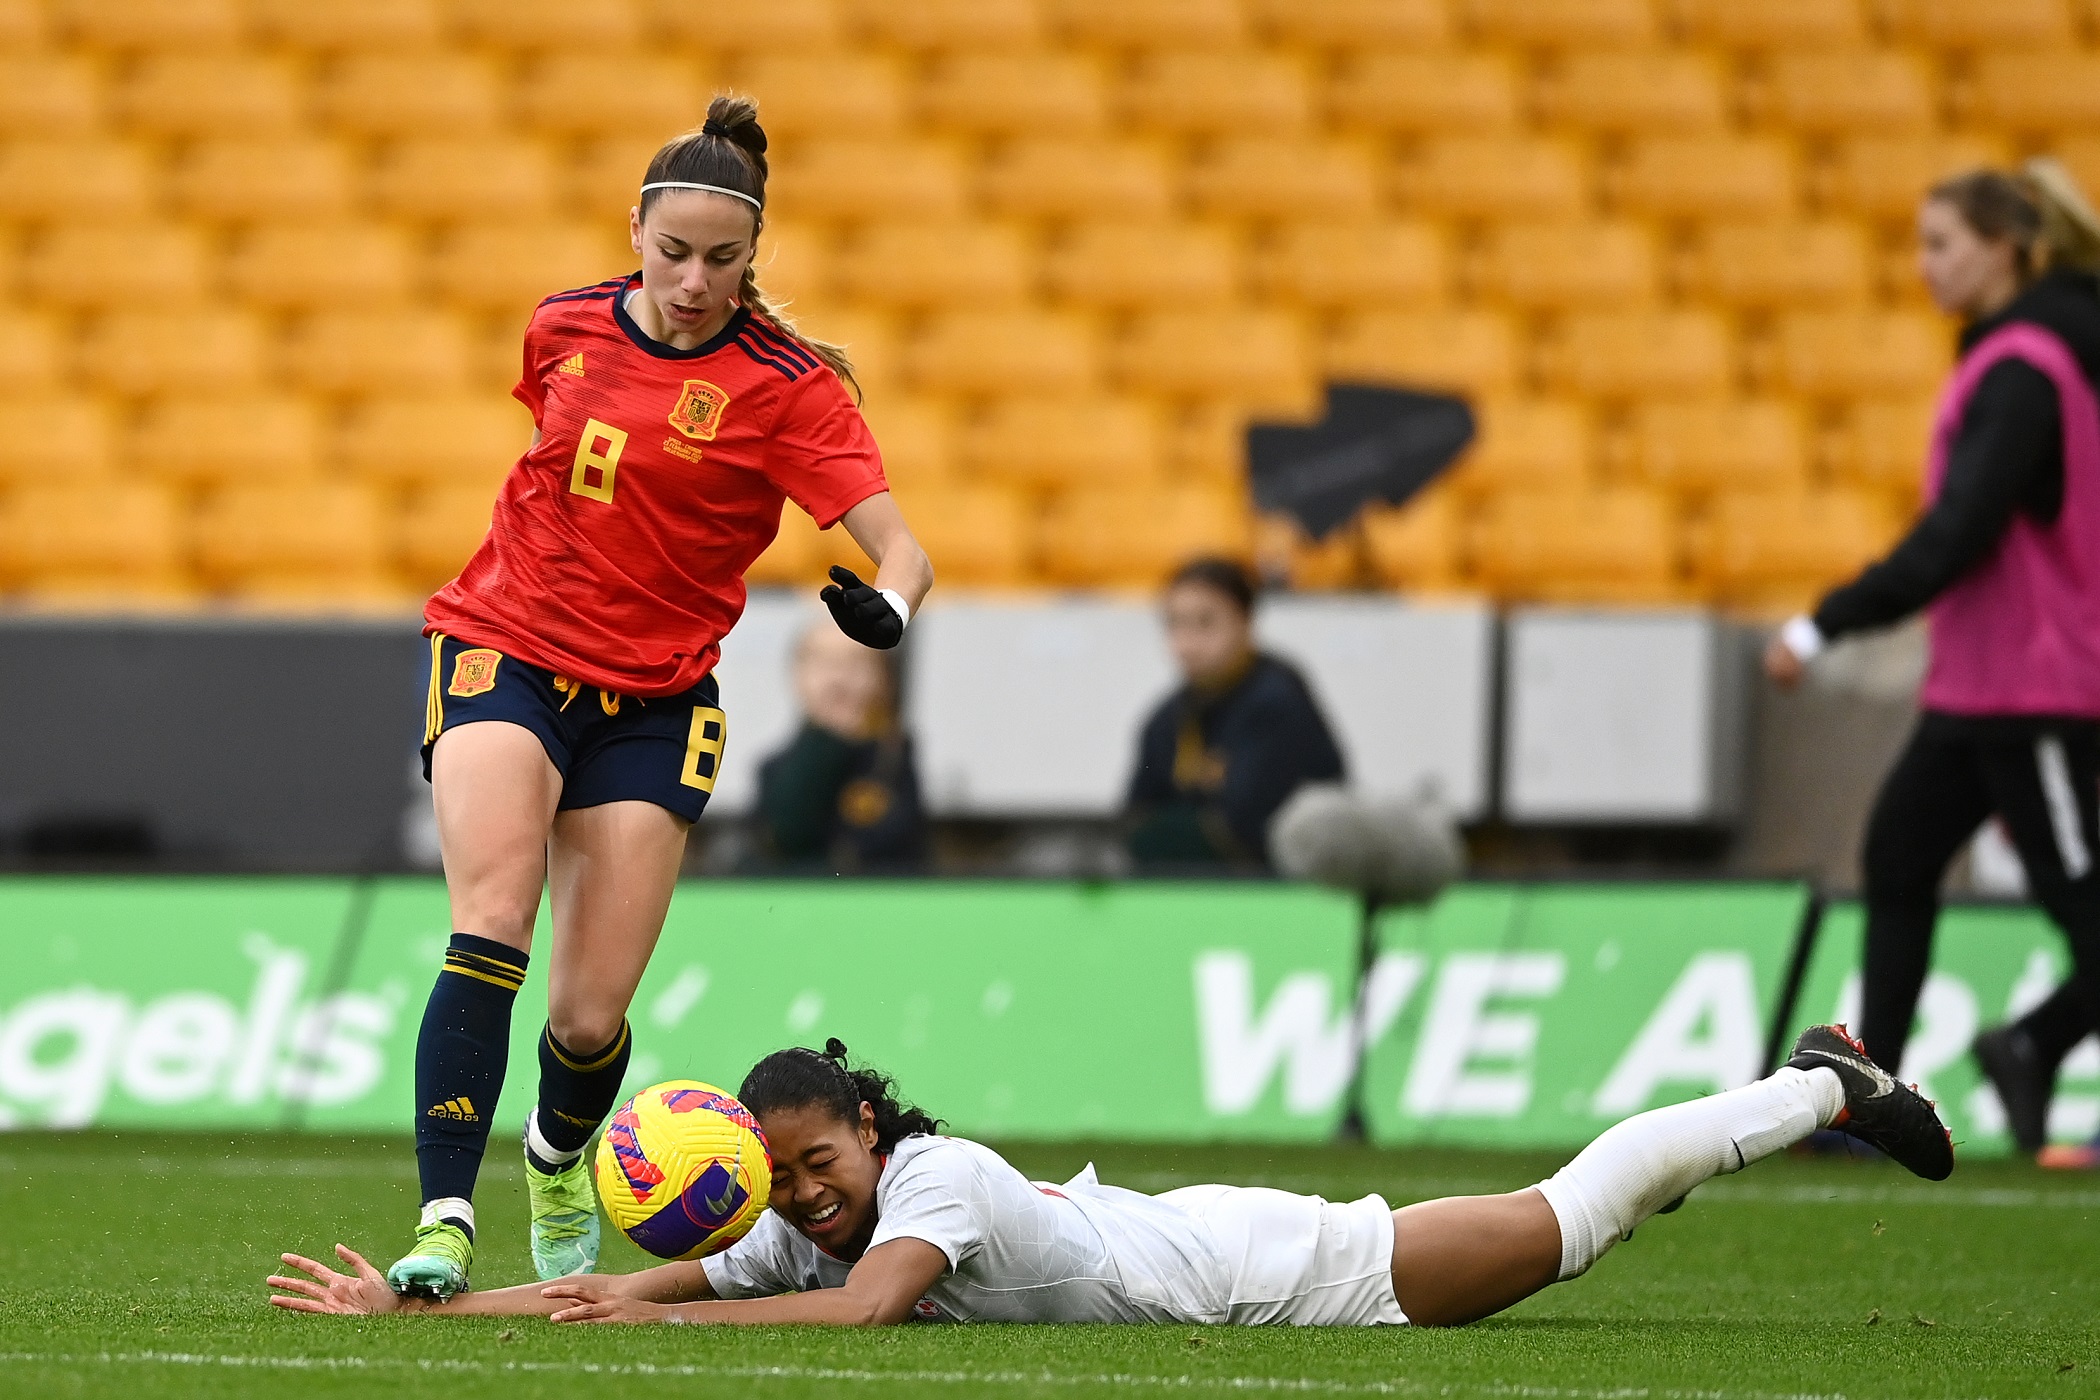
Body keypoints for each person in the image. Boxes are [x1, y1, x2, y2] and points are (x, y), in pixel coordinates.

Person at [394, 94, 934, 1299]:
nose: (694, 281)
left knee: (588, 1017)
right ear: (636, 228)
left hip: (655, 698)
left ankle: (555, 1152)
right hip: (505, 646)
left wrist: (885, 611)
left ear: (755, 256)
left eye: (724, 260)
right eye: (674, 252)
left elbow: (904, 549)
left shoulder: (789, 388)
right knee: (493, 915)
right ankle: (441, 1220)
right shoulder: (562, 327)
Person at [268, 1027, 1951, 1328]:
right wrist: (423, 1303)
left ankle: (1818, 1083)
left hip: (1277, 1270)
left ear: (869, 1127)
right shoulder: (804, 1230)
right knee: (1579, 1229)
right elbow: (607, 1285)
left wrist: (653, 1334)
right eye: (777, 1187)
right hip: (1208, 1260)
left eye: (815, 1164)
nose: (803, 1198)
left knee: (1567, 1229)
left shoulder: (939, 1186)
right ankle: (1812, 1089)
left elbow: (861, 1323)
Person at [1764, 158, 2100, 1156]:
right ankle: (1872, 1101)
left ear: (2005, 247)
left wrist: (1826, 621)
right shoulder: (2015, 356)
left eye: (1940, 243)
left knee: (2085, 908)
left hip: (2034, 686)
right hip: (1980, 685)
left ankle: (2034, 1041)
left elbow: (1957, 532)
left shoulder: (2023, 369)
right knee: (1901, 857)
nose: (1923, 267)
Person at [1125, 558, 1345, 867]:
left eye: (1206, 622)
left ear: (1245, 621)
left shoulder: (1278, 703)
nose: (1187, 643)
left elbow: (1245, 831)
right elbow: (1133, 819)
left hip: (1288, 893)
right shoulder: (1166, 718)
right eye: (1174, 623)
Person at [753, 623, 927, 871]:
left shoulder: (894, 758)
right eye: (822, 663)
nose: (838, 679)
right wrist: (826, 742)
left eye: (854, 664)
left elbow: (900, 846)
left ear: (883, 677)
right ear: (797, 675)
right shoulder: (773, 769)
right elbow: (786, 836)